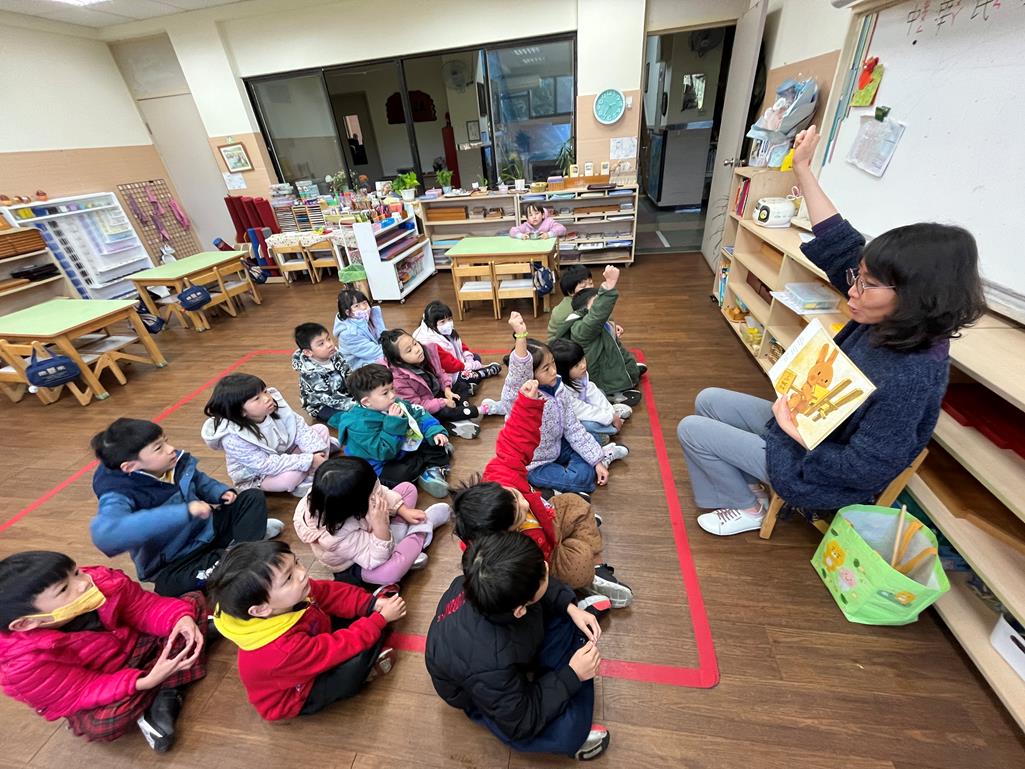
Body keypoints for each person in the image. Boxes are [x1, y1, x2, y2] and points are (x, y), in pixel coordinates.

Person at [677, 124, 986, 536]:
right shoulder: (888, 312)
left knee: (692, 430)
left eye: (866, 283)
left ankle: (747, 506)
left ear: (916, 296)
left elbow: (862, 469)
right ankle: (749, 482)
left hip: (818, 469)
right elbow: (839, 243)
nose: (852, 290)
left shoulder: (911, 375)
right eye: (857, 276)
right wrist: (802, 168)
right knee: (709, 400)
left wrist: (797, 435)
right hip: (806, 429)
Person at [425, 532, 610, 761]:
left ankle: (572, 638)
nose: (546, 567)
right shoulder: (489, 666)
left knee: (564, 618)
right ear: (520, 610)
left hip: (502, 649)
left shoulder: (487, 583)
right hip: (484, 689)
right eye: (543, 573)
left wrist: (569, 607)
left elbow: (533, 581)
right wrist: (572, 675)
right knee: (568, 733)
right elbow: (521, 721)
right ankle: (573, 725)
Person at [0, 551, 206, 752]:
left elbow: (144, 607)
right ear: (25, 623)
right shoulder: (20, 663)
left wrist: (177, 618)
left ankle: (163, 689)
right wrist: (143, 682)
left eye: (76, 572)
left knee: (190, 605)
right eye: (63, 589)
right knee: (102, 724)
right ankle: (169, 687)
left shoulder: (100, 582)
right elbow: (82, 690)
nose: (83, 583)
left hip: (138, 646)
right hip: (105, 680)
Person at [454, 379, 633, 607]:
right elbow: (521, 587)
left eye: (516, 496)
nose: (524, 505)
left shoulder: (500, 477)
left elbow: (514, 443)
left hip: (546, 520)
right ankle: (589, 577)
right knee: (580, 567)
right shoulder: (503, 557)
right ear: (503, 535)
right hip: (546, 557)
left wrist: (527, 405)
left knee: (576, 503)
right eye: (518, 516)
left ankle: (595, 565)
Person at [206, 541, 404, 721]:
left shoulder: (288, 597)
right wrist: (379, 620)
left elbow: (328, 593)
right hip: (298, 694)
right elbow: (335, 649)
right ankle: (369, 666)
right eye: (288, 578)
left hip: (310, 644)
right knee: (351, 672)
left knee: (351, 605)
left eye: (297, 563)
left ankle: (375, 616)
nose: (301, 574)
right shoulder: (281, 650)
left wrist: (371, 603)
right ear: (260, 610)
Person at [89, 418, 274, 597]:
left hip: (208, 532)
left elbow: (198, 480)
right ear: (130, 466)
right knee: (168, 587)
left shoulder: (173, 461)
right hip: (177, 560)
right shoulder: (118, 494)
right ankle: (240, 551)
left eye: (166, 441)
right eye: (158, 448)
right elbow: (106, 535)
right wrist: (184, 513)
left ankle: (234, 556)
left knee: (252, 497)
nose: (170, 449)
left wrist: (219, 492)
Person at [500, 312, 627, 496]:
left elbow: (573, 426)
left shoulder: (559, 388)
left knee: (590, 436)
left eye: (553, 364)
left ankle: (596, 462)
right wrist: (520, 335)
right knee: (579, 478)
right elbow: (518, 375)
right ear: (530, 377)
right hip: (535, 463)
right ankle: (574, 481)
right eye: (546, 369)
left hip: (558, 446)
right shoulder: (521, 397)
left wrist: (596, 461)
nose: (554, 371)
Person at [294, 456, 451, 586]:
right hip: (357, 562)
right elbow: (375, 559)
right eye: (371, 494)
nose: (377, 492)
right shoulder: (334, 537)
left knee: (407, 488)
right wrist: (380, 527)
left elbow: (380, 491)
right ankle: (422, 529)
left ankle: (400, 543)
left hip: (373, 528)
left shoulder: (330, 494)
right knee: (390, 573)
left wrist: (403, 510)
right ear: (354, 508)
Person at [201, 373, 335, 498]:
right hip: (261, 474)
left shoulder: (275, 406)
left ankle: (311, 472)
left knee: (320, 429)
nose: (267, 398)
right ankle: (308, 475)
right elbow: (265, 465)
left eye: (265, 391)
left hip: (285, 453)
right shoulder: (233, 437)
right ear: (241, 411)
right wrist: (309, 460)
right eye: (257, 399)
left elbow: (300, 428)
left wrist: (314, 452)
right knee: (288, 479)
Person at [330, 364, 451, 498]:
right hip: (380, 465)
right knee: (401, 475)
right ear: (367, 402)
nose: (393, 395)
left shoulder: (394, 403)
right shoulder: (358, 425)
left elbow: (419, 414)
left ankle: (431, 464)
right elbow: (383, 452)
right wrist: (394, 423)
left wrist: (434, 431)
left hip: (400, 450)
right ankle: (430, 467)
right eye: (385, 393)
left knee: (435, 438)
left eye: (392, 388)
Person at [552, 264, 645, 406]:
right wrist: (608, 286)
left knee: (619, 354)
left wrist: (613, 326)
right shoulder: (579, 326)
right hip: (594, 371)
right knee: (600, 390)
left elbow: (603, 319)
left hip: (604, 358)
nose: (589, 287)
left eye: (590, 283)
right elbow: (597, 316)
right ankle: (613, 396)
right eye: (596, 304)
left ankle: (630, 371)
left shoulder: (593, 319)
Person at [380, 328, 480, 440]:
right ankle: (473, 411)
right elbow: (417, 406)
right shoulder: (398, 379)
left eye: (415, 343)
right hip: (427, 407)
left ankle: (459, 417)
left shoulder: (427, 351)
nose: (417, 349)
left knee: (462, 386)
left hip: (437, 394)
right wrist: (443, 402)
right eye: (409, 350)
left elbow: (441, 373)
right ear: (398, 360)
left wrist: (447, 389)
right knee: (443, 412)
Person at [550, 338, 632, 440]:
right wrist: (610, 418)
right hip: (573, 418)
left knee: (599, 392)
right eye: (576, 365)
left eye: (582, 359)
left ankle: (612, 416)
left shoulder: (580, 375)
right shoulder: (562, 391)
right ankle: (603, 434)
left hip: (584, 407)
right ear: (563, 370)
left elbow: (593, 393)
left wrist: (611, 414)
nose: (583, 365)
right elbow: (581, 410)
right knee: (589, 425)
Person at [413, 300, 503, 386]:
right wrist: (471, 365)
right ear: (432, 324)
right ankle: (482, 373)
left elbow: (459, 344)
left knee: (475, 357)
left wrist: (469, 358)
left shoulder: (440, 330)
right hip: (445, 375)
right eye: (442, 322)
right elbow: (450, 366)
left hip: (456, 363)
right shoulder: (430, 342)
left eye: (449, 319)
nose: (448, 323)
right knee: (467, 377)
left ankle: (475, 375)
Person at [290, 322, 356, 424]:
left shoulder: (335, 355)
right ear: (308, 352)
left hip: (344, 395)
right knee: (349, 419)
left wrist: (360, 392)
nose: (329, 345)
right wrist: (355, 405)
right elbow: (328, 399)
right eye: (321, 344)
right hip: (323, 405)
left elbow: (349, 374)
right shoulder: (310, 374)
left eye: (328, 339)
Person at [333, 288, 387, 370]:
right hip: (359, 366)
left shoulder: (370, 316)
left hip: (373, 354)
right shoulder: (349, 333)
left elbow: (384, 334)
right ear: (347, 312)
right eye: (356, 306)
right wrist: (395, 350)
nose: (363, 307)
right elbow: (373, 353)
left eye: (364, 303)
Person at [547, 265, 593, 340]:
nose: (589, 288)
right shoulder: (566, 311)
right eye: (583, 286)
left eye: (590, 283)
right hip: (562, 344)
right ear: (570, 292)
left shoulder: (589, 299)